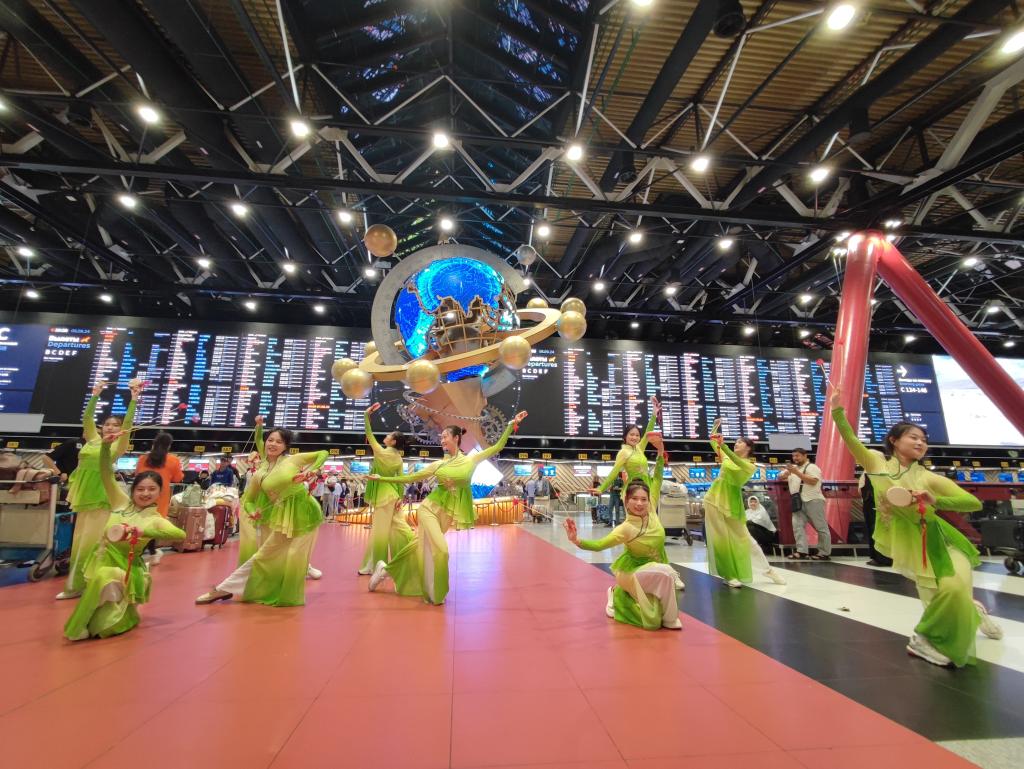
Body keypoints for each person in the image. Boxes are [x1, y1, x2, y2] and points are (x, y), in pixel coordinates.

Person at [828, 386, 1002, 667]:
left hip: (941, 538)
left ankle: (933, 631)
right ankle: (948, 627)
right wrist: (837, 409)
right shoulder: (876, 463)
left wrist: (936, 500)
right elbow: (850, 439)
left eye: (924, 439)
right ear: (894, 441)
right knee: (936, 597)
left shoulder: (927, 477)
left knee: (955, 588)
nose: (921, 443)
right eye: (914, 437)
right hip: (910, 541)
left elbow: (972, 503)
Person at [368, 412, 528, 605]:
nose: (442, 440)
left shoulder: (471, 460)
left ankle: (384, 570)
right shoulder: (438, 464)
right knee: (442, 551)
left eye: (445, 436)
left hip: (447, 513)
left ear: (456, 438)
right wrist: (382, 479)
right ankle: (437, 594)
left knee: (417, 546)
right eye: (441, 437)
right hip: (429, 510)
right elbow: (410, 478)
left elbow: (498, 446)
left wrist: (511, 424)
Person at [64, 434, 185, 640]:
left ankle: (78, 626)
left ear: (160, 492)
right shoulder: (120, 502)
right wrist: (105, 446)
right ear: (133, 490)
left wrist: (143, 532)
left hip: (126, 569)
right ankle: (79, 626)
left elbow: (180, 534)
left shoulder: (154, 519)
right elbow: (105, 472)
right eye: (140, 489)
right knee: (100, 583)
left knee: (103, 623)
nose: (145, 493)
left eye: (152, 489)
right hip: (100, 558)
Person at [196, 427, 327, 607]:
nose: (273, 444)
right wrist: (252, 512)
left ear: (285, 446)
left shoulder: (293, 460)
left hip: (306, 512)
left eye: (279, 441)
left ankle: (226, 589)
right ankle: (226, 588)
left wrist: (310, 471)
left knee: (289, 554)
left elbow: (323, 453)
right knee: (268, 553)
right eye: (270, 440)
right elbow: (249, 500)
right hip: (284, 516)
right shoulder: (259, 474)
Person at [565, 472, 681, 631]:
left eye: (644, 499)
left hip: (654, 569)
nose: (639, 503)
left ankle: (670, 618)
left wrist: (661, 458)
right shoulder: (625, 528)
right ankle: (616, 594)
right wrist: (576, 540)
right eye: (634, 498)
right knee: (666, 573)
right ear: (626, 501)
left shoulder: (652, 511)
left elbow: (657, 480)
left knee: (656, 612)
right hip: (631, 572)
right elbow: (599, 545)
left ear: (649, 501)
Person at [59, 381, 140, 600]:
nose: (110, 427)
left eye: (115, 425)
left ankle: (85, 585)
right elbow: (87, 418)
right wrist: (95, 394)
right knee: (79, 543)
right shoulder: (92, 439)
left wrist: (133, 398)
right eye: (107, 424)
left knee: (91, 544)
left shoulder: (117, 446)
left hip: (101, 496)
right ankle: (78, 584)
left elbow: (129, 422)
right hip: (83, 497)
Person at [703, 431, 786, 588]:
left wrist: (723, 446)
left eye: (740, 442)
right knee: (720, 538)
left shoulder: (750, 466)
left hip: (732, 502)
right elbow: (713, 442)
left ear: (748, 448)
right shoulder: (727, 456)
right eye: (736, 442)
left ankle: (768, 570)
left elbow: (735, 460)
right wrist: (715, 430)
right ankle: (729, 575)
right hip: (713, 499)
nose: (736, 443)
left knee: (746, 538)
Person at [358, 403, 416, 575]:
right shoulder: (398, 459)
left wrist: (366, 415)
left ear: (393, 441)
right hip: (393, 496)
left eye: (389, 435)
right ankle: (404, 555)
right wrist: (400, 497)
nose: (386, 436)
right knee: (395, 529)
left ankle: (377, 566)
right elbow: (400, 480)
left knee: (380, 533)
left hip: (383, 497)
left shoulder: (381, 452)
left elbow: (369, 433)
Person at [593, 400, 659, 502]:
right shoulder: (623, 452)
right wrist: (601, 488)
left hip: (647, 488)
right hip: (633, 491)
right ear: (625, 436)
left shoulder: (639, 448)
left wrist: (654, 413)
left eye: (637, 435)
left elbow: (648, 432)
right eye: (631, 434)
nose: (635, 437)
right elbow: (614, 472)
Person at [780, 448, 832, 561]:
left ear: (805, 456)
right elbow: (780, 477)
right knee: (797, 526)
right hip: (798, 501)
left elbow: (813, 481)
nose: (795, 458)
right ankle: (802, 551)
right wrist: (787, 473)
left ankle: (824, 553)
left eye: (797, 456)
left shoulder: (812, 467)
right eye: (793, 456)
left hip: (813, 500)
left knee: (821, 527)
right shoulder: (794, 469)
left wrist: (796, 473)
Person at [860, 473, 893, 567]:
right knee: (875, 528)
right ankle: (878, 556)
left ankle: (881, 557)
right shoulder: (871, 472)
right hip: (873, 502)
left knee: (876, 528)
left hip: (875, 502)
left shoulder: (875, 471)